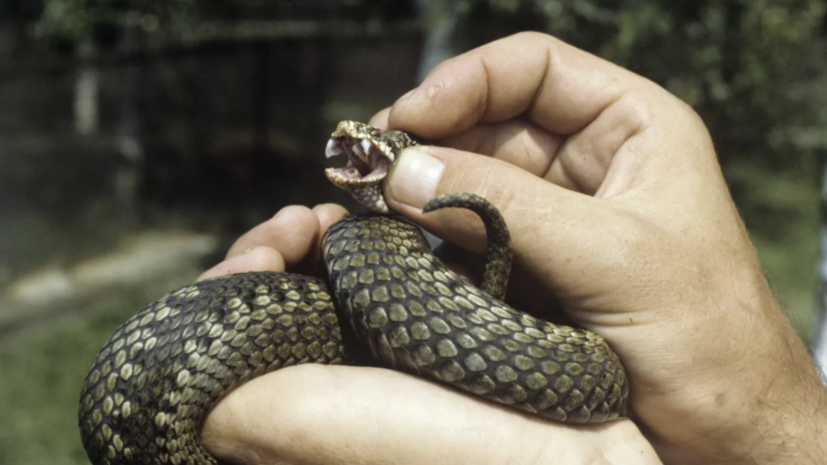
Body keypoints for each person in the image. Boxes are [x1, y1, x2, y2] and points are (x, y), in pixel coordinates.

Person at [197, 32, 827, 465]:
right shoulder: (364, 237)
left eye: (380, 146)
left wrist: (767, 434)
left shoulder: (376, 239)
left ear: (406, 161)